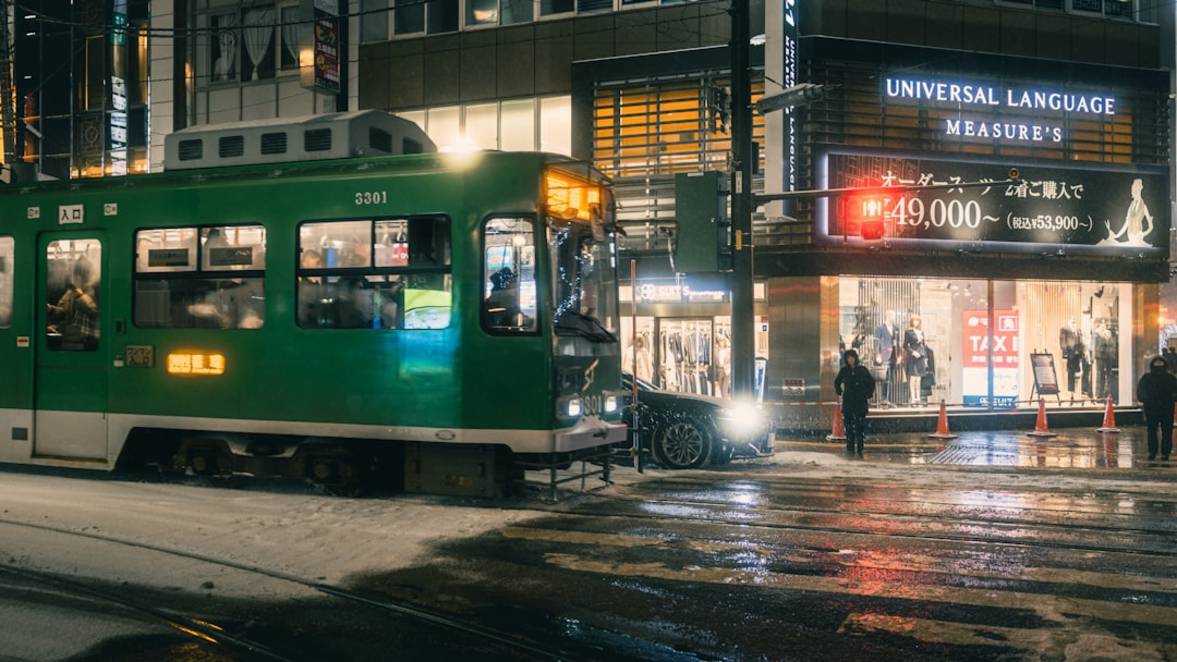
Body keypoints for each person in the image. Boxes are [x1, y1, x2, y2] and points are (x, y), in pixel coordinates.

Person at [47, 256, 100, 350]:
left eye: (79, 275)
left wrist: (79, 294)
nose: (76, 278)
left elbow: (94, 310)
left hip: (92, 340)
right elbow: (63, 311)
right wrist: (51, 309)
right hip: (74, 338)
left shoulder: (95, 289)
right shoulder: (71, 292)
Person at [834, 348, 875, 457]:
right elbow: (837, 381)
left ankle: (860, 447)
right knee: (848, 426)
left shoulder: (862, 370)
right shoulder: (844, 370)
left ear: (855, 358)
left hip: (860, 401)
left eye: (852, 358)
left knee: (859, 426)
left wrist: (867, 394)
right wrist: (839, 391)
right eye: (848, 358)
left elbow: (871, 382)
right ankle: (850, 447)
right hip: (848, 400)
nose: (850, 360)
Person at [1137, 355, 1176, 462]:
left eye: (1160, 363)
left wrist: (1172, 398)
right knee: (1152, 431)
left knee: (1166, 431)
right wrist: (1145, 399)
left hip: (1165, 408)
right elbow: (1140, 391)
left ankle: (1164, 452)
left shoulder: (1170, 378)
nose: (1159, 365)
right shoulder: (1147, 378)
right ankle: (1153, 451)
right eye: (1157, 363)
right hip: (1153, 408)